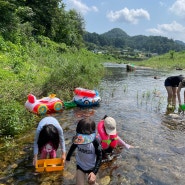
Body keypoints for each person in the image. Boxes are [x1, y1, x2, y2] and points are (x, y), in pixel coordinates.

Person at [66, 118, 102, 185]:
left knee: (91, 183)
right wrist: (67, 159)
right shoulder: (78, 139)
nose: (82, 139)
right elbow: (72, 148)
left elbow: (100, 156)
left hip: (92, 167)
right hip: (80, 165)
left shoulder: (95, 142)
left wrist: (94, 172)